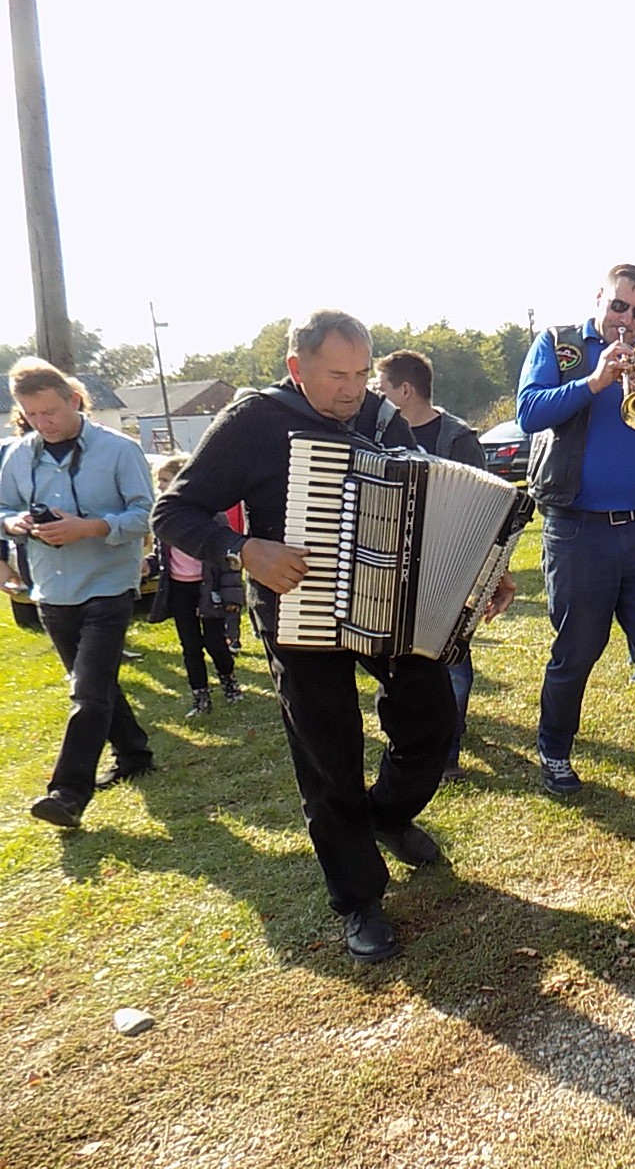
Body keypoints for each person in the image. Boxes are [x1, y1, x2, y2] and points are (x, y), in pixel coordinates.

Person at [152, 310, 459, 964]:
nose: (353, 390)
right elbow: (172, 510)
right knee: (329, 755)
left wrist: (475, 569)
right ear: (297, 369)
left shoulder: (380, 418)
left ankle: (390, 813)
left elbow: (428, 497)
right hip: (300, 608)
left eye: (359, 374)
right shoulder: (254, 421)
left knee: (432, 712)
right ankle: (358, 898)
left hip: (385, 603)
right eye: (336, 375)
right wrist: (241, 548)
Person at [518, 263, 635, 796]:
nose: (627, 321)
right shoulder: (559, 344)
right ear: (599, 298)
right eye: (619, 306)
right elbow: (528, 411)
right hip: (577, 531)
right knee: (576, 650)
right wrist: (594, 382)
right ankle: (554, 752)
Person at [0, 358, 156, 827]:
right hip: (50, 590)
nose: (41, 423)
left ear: (73, 399)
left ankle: (67, 793)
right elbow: (2, 507)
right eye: (31, 415)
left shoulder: (119, 450)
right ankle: (135, 754)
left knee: (87, 692)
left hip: (108, 586)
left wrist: (89, 528)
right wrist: (14, 523)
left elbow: (146, 516)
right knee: (99, 684)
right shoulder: (17, 455)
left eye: (49, 412)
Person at [375, 348, 515, 782]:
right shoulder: (377, 436)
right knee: (393, 657)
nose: (374, 397)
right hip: (394, 568)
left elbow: (488, 508)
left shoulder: (458, 439)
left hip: (449, 567)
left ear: (405, 390)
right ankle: (405, 739)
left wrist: (492, 573)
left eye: (380, 389)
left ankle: (447, 749)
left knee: (453, 660)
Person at [147, 455, 246, 717]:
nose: (160, 488)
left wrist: (231, 596)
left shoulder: (212, 515)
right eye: (158, 482)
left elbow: (228, 560)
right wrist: (148, 566)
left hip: (208, 588)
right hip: (181, 590)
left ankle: (229, 682)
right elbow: (162, 556)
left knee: (215, 642)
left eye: (165, 481)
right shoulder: (163, 516)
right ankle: (200, 696)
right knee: (189, 645)